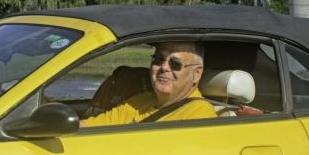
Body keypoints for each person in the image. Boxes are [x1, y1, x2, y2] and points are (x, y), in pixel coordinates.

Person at [81, 41, 217, 126]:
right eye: (158, 59)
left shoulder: (199, 114)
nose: (164, 67)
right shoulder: (140, 101)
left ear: (196, 74)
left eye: (175, 64)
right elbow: (88, 127)